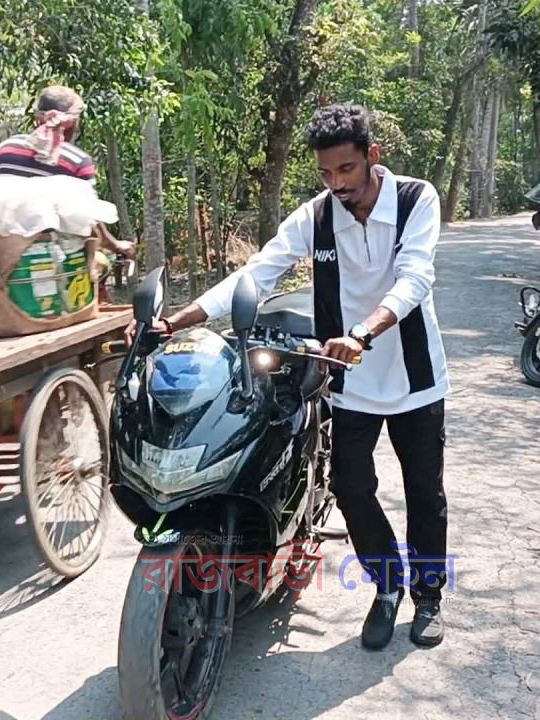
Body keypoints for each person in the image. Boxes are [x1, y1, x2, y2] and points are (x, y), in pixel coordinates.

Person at [128, 104, 450, 650]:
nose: (336, 184)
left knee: (425, 492)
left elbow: (416, 275)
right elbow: (257, 272)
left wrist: (362, 332)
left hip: (415, 375)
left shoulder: (417, 199)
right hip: (346, 379)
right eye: (325, 173)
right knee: (351, 487)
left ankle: (430, 596)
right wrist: (182, 317)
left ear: (373, 157)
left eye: (345, 170)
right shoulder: (317, 215)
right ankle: (388, 586)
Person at [0, 85, 134, 264]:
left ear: (37, 118)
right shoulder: (78, 160)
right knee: (100, 264)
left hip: (3, 253)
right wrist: (116, 245)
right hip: (57, 257)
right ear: (71, 122)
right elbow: (90, 220)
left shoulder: (4, 149)